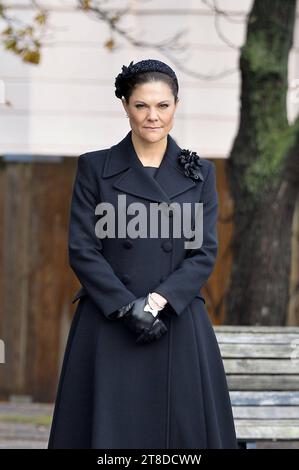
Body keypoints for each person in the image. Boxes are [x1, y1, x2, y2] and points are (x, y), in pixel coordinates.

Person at [48, 59, 238, 449]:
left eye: (163, 106)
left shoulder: (200, 172)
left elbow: (203, 252)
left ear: (176, 106)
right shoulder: (94, 167)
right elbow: (83, 248)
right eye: (141, 106)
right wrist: (124, 307)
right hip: (108, 319)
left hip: (176, 319)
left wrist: (155, 302)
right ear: (125, 105)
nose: (153, 116)